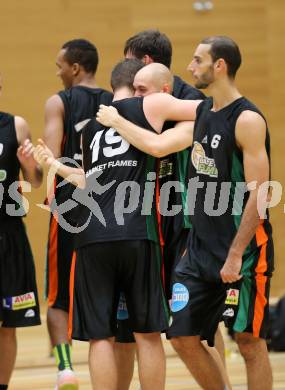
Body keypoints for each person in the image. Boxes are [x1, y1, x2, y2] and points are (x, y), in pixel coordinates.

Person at [34, 58, 200, 390]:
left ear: (111, 87)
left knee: (100, 337)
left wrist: (54, 164)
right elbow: (205, 110)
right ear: (137, 85)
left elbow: (88, 181)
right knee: (148, 334)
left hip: (92, 237)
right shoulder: (148, 106)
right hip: (138, 232)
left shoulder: (90, 127)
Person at [96, 62, 231, 390]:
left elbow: (157, 147)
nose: (135, 96)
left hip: (182, 227)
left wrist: (115, 119)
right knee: (129, 329)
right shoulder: (144, 114)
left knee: (195, 323)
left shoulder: (188, 115)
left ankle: (222, 384)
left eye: (140, 89)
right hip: (142, 228)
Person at [168, 36, 273, 390]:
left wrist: (235, 253)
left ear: (220, 66)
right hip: (198, 251)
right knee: (181, 336)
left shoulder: (247, 120)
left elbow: (259, 196)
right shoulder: (201, 112)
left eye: (197, 60)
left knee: (248, 342)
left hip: (242, 253)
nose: (190, 67)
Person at [43, 38, 113, 389]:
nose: (57, 72)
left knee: (58, 295)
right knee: (111, 288)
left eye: (60, 66)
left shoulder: (59, 102)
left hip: (70, 205)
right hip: (113, 206)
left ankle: (66, 368)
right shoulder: (116, 101)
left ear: (75, 67)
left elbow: (53, 160)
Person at [0, 74, 42, 389]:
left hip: (8, 234)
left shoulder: (15, 125)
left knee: (8, 324)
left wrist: (28, 165)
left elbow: (36, 180)